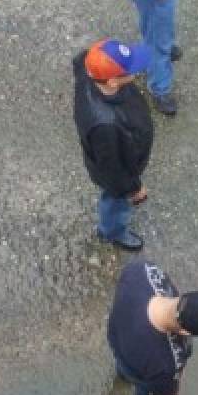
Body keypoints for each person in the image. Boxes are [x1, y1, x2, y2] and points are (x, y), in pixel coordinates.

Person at [107, 259, 198, 395]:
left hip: (116, 337)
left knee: (123, 365)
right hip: (139, 367)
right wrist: (175, 381)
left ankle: (123, 374)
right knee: (146, 391)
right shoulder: (166, 364)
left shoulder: (141, 270)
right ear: (185, 332)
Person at [72, 38, 155, 251]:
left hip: (122, 149)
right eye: (130, 71)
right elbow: (113, 170)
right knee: (115, 200)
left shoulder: (89, 73)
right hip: (118, 171)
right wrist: (133, 188)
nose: (135, 73)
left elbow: (80, 59)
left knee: (115, 194)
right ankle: (112, 231)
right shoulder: (106, 127)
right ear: (112, 82)